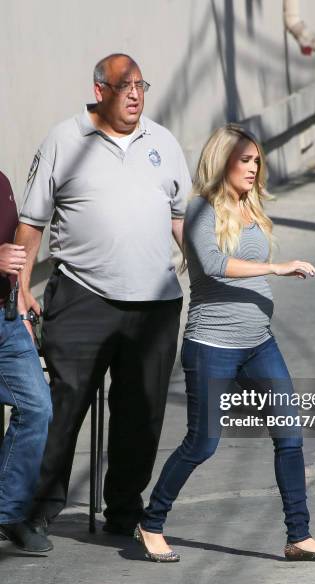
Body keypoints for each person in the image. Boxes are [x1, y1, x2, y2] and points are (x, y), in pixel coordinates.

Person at [134, 124, 315, 563]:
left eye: (256, 161)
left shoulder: (251, 206)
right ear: (221, 161)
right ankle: (151, 523)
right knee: (202, 443)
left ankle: (298, 536)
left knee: (289, 436)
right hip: (212, 345)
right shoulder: (200, 210)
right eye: (244, 160)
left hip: (259, 344)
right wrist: (276, 267)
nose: (253, 168)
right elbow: (210, 266)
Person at [15, 53, 191, 540]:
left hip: (155, 302)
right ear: (100, 90)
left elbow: (181, 219)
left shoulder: (163, 142)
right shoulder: (65, 140)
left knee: (142, 409)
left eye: (141, 85)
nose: (135, 94)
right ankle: (37, 509)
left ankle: (124, 510)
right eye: (125, 85)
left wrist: (209, 266)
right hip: (82, 296)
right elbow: (32, 224)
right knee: (63, 405)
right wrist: (23, 291)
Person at [0, 170, 53, 552]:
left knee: (37, 408)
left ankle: (6, 513)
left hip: (6, 318)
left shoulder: (1, 181)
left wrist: (21, 296)